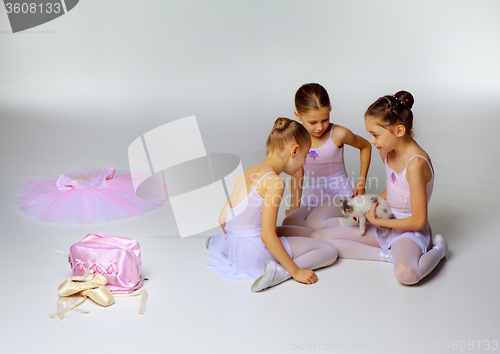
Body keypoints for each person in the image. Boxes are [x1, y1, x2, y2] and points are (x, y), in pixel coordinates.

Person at [311, 91, 448, 285]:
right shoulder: (387, 151)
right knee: (319, 238)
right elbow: (393, 190)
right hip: (384, 222)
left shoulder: (416, 164)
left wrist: (376, 221)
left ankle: (439, 250)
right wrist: (369, 208)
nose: (372, 141)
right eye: (370, 134)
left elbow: (418, 221)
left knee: (406, 275)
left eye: (375, 135)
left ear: (399, 131)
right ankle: (387, 255)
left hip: (408, 230)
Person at [207, 118, 338, 292]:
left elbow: (222, 220)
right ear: (295, 150)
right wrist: (296, 271)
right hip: (255, 254)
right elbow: (267, 236)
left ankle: (226, 246)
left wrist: (238, 242)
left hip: (235, 249)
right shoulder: (275, 182)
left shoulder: (247, 172)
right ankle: (280, 272)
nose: (304, 163)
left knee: (307, 234)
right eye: (305, 156)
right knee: (329, 250)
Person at [282, 83, 371, 230]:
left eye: (325, 120)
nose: (320, 127)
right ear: (298, 115)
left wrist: (361, 183)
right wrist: (294, 206)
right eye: (313, 122)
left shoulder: (338, 133)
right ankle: (333, 233)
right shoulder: (295, 139)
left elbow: (365, 146)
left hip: (339, 193)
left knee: (314, 224)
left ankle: (359, 220)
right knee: (290, 223)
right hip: (313, 195)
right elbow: (298, 173)